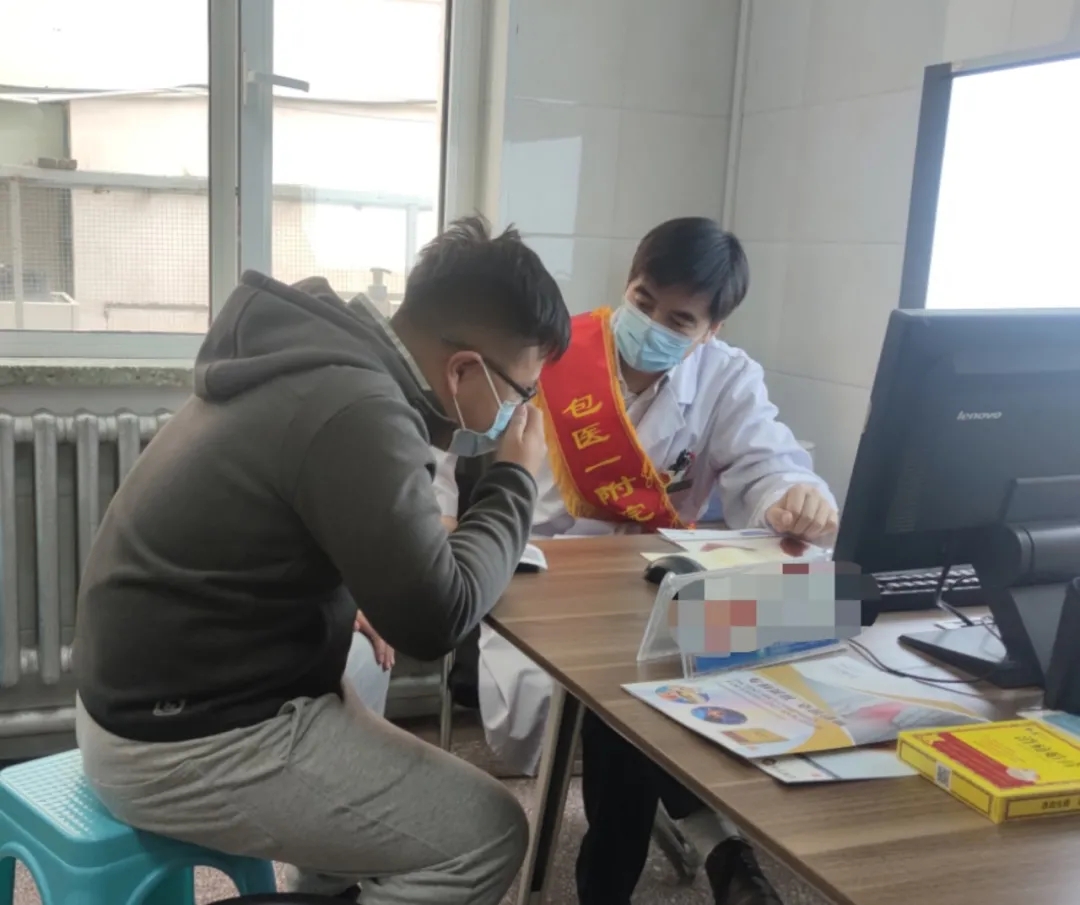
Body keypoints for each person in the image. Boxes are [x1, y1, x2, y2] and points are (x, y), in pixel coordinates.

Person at [73, 216, 571, 905]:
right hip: (178, 739)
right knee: (487, 835)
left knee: (370, 714)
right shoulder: (358, 408)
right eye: (521, 393)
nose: (521, 412)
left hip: (161, 699)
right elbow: (438, 618)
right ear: (463, 370)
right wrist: (514, 476)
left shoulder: (318, 360)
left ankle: (329, 884)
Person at [433, 217, 839, 905]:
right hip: (542, 576)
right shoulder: (555, 351)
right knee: (630, 687)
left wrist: (793, 498)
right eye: (644, 300)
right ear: (628, 284)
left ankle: (628, 876)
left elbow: (769, 461)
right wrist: (439, 512)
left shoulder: (727, 377)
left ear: (711, 329)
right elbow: (450, 428)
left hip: (655, 578)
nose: (652, 324)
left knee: (797, 627)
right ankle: (716, 845)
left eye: (679, 319)